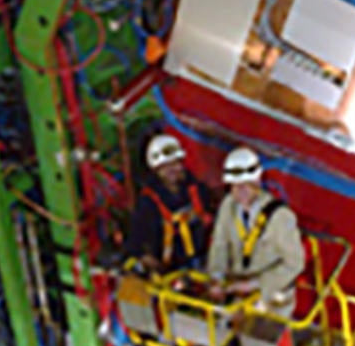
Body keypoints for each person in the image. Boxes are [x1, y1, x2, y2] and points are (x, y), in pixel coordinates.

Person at [207, 146, 306, 318]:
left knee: (259, 342)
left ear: (258, 181)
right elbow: (219, 245)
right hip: (236, 293)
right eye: (236, 186)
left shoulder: (280, 217)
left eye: (247, 185)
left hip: (272, 298)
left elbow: (295, 263)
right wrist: (217, 277)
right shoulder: (228, 206)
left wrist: (255, 284)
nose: (241, 191)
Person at [122, 134, 214, 274]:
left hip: (202, 260)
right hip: (167, 269)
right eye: (165, 166)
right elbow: (136, 239)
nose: (172, 170)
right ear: (156, 169)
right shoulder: (148, 203)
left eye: (175, 164)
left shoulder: (196, 190)